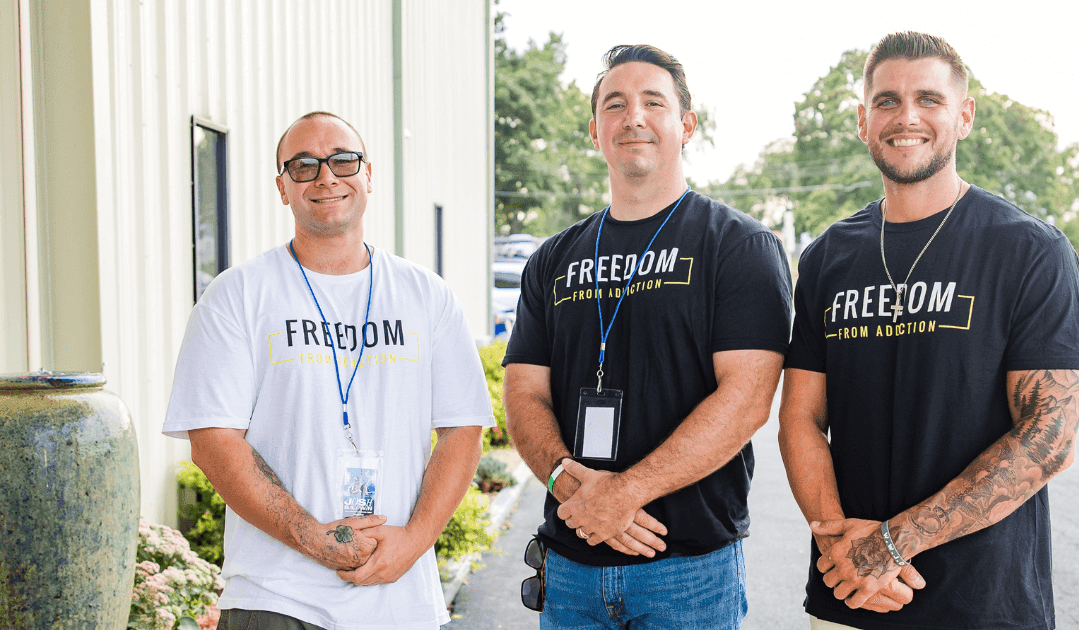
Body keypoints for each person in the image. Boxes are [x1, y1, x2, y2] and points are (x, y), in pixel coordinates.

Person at [778, 32, 1079, 630]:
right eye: (887, 101)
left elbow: (1049, 437)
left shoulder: (1029, 250)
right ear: (863, 121)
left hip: (983, 603)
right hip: (849, 595)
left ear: (964, 116)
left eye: (928, 99)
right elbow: (800, 419)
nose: (907, 117)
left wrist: (891, 546)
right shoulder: (828, 257)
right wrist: (841, 547)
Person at [163, 111, 494, 630]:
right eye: (303, 165)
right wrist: (312, 538)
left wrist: (414, 541)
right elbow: (213, 441)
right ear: (282, 187)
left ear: (368, 174)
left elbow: (463, 429)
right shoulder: (237, 295)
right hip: (276, 599)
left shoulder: (426, 295)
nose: (325, 177)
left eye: (343, 160)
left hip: (400, 599)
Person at [502, 44, 793, 629]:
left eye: (653, 102)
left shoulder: (738, 247)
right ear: (595, 131)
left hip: (686, 571)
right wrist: (568, 483)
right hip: (571, 567)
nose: (632, 116)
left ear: (687, 125)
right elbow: (524, 392)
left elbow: (746, 400)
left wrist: (625, 493)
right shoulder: (552, 260)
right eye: (614, 104)